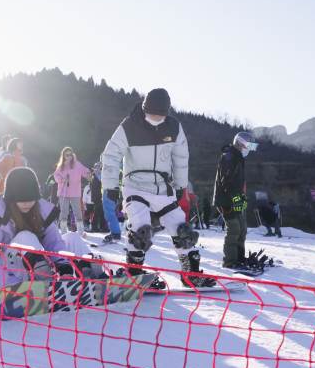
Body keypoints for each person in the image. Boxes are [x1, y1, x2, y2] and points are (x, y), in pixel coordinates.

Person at [101, 88, 215, 287]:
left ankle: (191, 274)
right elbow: (111, 155)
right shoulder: (129, 126)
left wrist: (180, 186)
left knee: (182, 229)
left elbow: (181, 159)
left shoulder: (173, 127)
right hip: (135, 187)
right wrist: (110, 186)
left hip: (162, 189)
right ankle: (134, 273)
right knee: (140, 227)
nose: (156, 118)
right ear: (145, 109)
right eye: (152, 114)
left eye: (160, 115)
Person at [0, 167, 104, 288]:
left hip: (39, 264)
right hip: (10, 271)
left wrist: (63, 266)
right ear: (11, 199)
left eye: (31, 199)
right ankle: (43, 281)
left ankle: (92, 275)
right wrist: (9, 285)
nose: (27, 203)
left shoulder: (41, 210)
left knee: (72, 237)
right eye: (21, 199)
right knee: (25, 236)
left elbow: (54, 243)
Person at [214, 131, 259, 270]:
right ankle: (229, 262)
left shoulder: (238, 157)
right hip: (226, 201)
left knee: (242, 229)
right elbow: (226, 182)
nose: (249, 150)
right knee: (234, 229)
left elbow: (237, 183)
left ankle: (239, 258)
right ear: (240, 143)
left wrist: (242, 197)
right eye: (248, 146)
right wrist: (235, 198)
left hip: (236, 199)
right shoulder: (229, 157)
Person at [54, 147, 90, 235]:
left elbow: (85, 171)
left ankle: (80, 230)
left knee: (77, 210)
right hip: (63, 192)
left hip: (75, 192)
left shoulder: (77, 164)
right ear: (63, 156)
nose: (69, 157)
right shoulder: (61, 166)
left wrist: (88, 174)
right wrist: (62, 180)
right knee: (64, 211)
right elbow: (56, 176)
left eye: (70, 154)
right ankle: (63, 231)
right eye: (67, 155)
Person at [90, 162, 107, 233]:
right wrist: (94, 198)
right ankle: (94, 227)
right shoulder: (93, 177)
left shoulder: (103, 176)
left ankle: (102, 227)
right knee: (97, 212)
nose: (98, 169)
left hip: (103, 196)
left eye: (99, 167)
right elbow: (93, 189)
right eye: (96, 167)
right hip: (97, 197)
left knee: (102, 212)